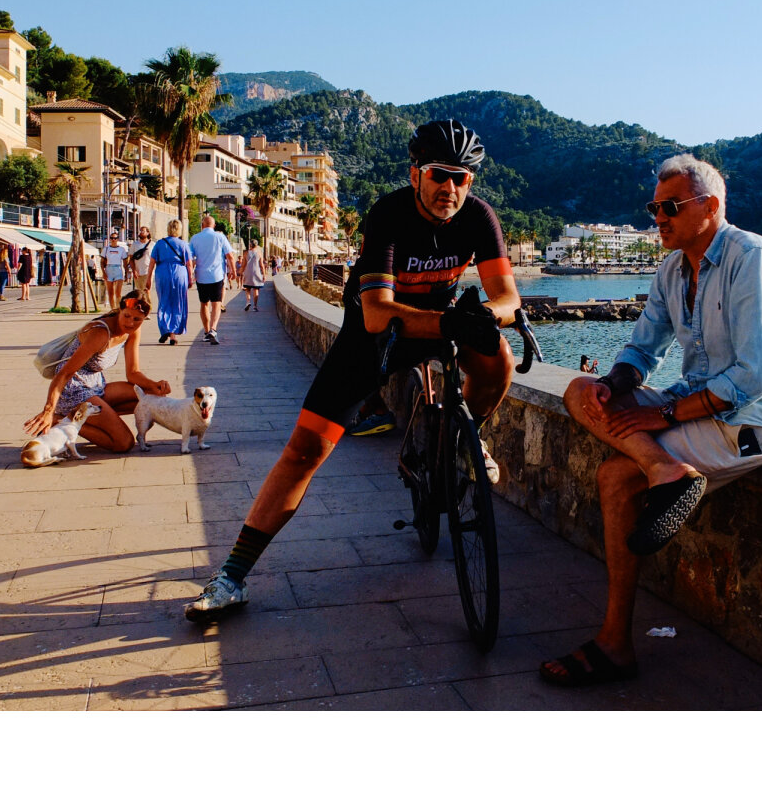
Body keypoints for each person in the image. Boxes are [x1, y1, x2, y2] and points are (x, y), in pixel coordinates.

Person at [184, 119, 521, 622]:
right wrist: (451, 321)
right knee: (304, 452)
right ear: (416, 174)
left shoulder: (479, 216)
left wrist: (485, 316)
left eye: (461, 178)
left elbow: (508, 298)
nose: (450, 188)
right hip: (372, 340)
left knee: (499, 359)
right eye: (439, 174)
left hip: (440, 324)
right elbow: (377, 314)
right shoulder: (388, 213)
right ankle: (232, 576)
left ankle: (459, 440)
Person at [540, 153, 762, 687]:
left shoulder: (752, 258)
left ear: (710, 206)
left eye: (670, 207)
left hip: (755, 423)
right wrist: (613, 385)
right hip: (697, 404)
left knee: (616, 477)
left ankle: (615, 644)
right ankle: (663, 468)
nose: (658, 218)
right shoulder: (671, 269)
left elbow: (753, 377)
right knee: (577, 391)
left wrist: (662, 414)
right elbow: (643, 350)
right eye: (654, 208)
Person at [23, 289, 172, 453]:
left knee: (153, 396)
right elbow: (64, 373)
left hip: (95, 386)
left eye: (137, 319)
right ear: (120, 310)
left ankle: (95, 417)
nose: (130, 323)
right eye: (127, 316)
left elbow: (133, 373)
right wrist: (48, 410)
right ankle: (61, 420)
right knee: (124, 443)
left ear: (145, 318)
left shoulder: (132, 331)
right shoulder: (100, 333)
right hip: (73, 390)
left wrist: (154, 384)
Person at [188, 215, 236, 345]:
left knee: (204, 304)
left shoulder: (195, 238)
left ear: (202, 225)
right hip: (217, 275)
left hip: (201, 276)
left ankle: (206, 331)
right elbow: (230, 256)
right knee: (216, 304)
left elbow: (190, 258)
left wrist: (190, 274)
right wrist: (233, 271)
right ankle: (213, 329)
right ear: (213, 226)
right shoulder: (220, 237)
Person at [147, 219, 192, 346]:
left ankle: (165, 327)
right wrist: (190, 278)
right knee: (178, 303)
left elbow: (152, 262)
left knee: (164, 302)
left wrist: (148, 278)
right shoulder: (183, 244)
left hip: (162, 273)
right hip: (179, 273)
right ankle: (173, 335)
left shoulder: (159, 244)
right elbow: (189, 264)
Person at [101, 229, 129, 307]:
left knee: (118, 292)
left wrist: (126, 273)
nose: (113, 240)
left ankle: (118, 307)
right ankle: (113, 308)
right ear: (110, 239)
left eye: (115, 238)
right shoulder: (106, 249)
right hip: (109, 269)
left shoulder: (121, 249)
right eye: (112, 238)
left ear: (117, 239)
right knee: (110, 292)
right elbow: (102, 262)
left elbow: (125, 262)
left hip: (118, 269)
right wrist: (103, 272)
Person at [240, 240, 265, 312]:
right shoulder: (259, 253)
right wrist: (264, 275)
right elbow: (261, 265)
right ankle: (255, 306)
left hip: (248, 272)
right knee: (256, 289)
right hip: (256, 272)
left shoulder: (246, 253)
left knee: (247, 289)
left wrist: (240, 272)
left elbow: (243, 265)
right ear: (256, 245)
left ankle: (248, 302)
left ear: (250, 245)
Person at [128, 227, 154, 293]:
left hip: (148, 272)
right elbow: (131, 259)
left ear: (147, 233)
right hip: (138, 272)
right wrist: (134, 271)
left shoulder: (152, 245)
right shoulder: (135, 245)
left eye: (143, 231)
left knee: (147, 292)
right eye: (140, 231)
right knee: (139, 293)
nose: (141, 232)